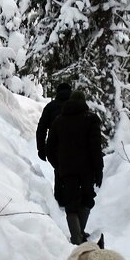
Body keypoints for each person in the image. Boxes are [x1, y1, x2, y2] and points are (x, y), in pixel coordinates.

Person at [46, 89, 103, 245]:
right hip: (87, 170)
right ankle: (79, 235)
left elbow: (49, 148)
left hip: (66, 169)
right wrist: (98, 169)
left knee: (71, 203)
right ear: (84, 102)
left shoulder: (59, 121)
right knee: (86, 200)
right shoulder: (91, 119)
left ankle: (76, 237)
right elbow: (95, 147)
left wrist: (58, 165)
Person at [36, 81, 72, 205]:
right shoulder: (77, 106)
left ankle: (60, 200)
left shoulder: (51, 107)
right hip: (75, 146)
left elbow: (41, 128)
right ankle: (73, 198)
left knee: (59, 170)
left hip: (56, 146)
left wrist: (41, 148)